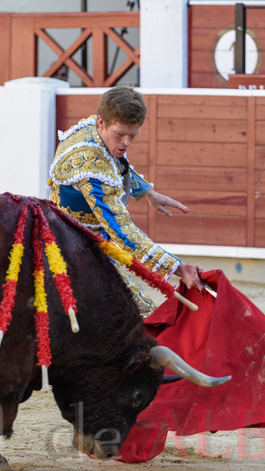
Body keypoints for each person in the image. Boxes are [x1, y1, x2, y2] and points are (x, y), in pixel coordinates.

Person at [47, 86, 206, 314]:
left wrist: (147, 192)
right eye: (120, 134)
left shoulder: (95, 129)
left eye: (132, 136)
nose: (126, 142)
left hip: (87, 238)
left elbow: (116, 165)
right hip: (75, 247)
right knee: (137, 313)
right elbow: (121, 231)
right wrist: (179, 268)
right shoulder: (88, 164)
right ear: (101, 122)